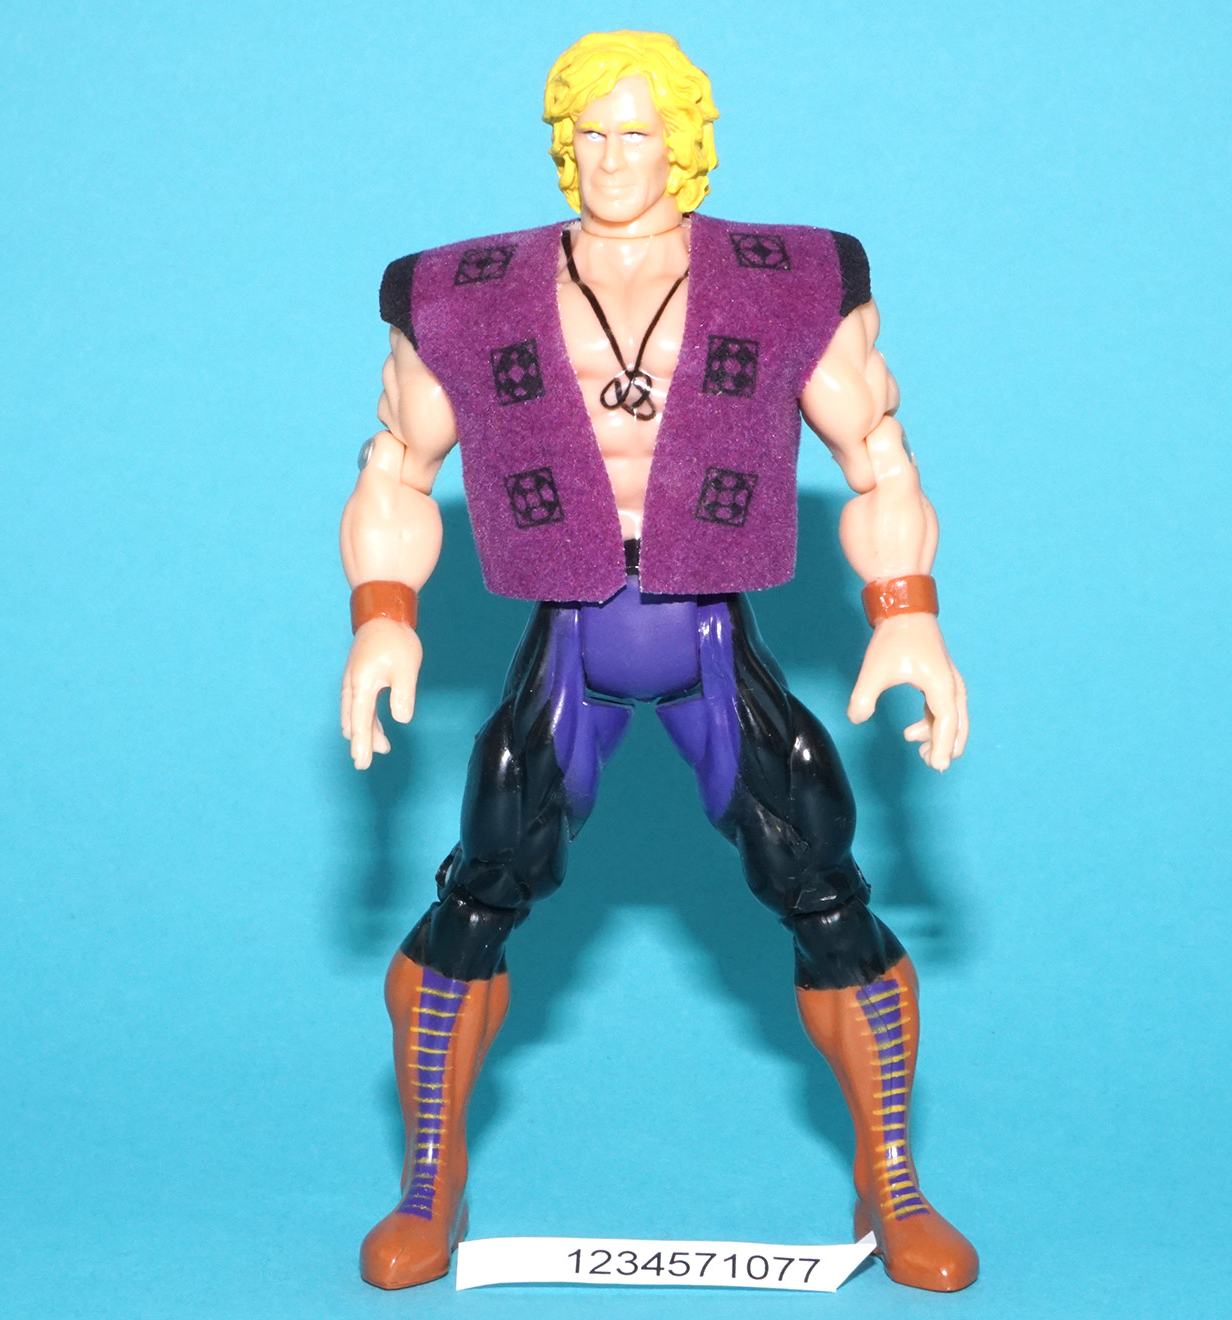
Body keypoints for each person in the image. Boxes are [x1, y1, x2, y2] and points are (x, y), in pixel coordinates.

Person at [339, 30, 976, 1292]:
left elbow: (878, 456)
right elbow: (396, 467)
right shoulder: (465, 290)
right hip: (570, 631)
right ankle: (428, 1182)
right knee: (480, 886)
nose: (610, 158)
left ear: (685, 143)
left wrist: (906, 611)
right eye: (587, 135)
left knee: (823, 886)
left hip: (707, 629)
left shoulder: (789, 280)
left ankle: (894, 1182)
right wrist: (381, 615)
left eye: (636, 133)